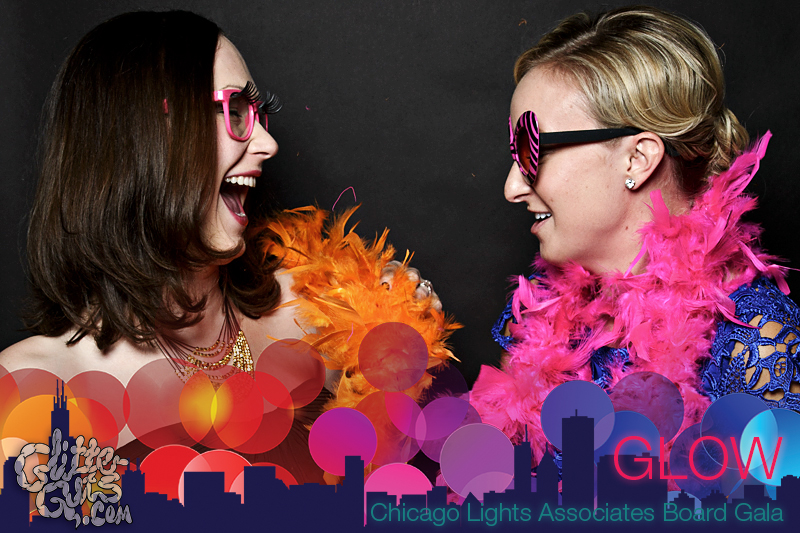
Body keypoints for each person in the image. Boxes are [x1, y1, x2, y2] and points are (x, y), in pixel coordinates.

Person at [0, 10, 456, 483]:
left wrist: (400, 335)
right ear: (145, 136)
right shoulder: (32, 392)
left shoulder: (312, 313)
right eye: (235, 111)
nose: (268, 143)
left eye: (258, 114)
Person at [470, 6, 800, 463]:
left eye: (533, 150)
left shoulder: (755, 340)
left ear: (637, 159)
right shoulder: (536, 319)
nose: (512, 187)